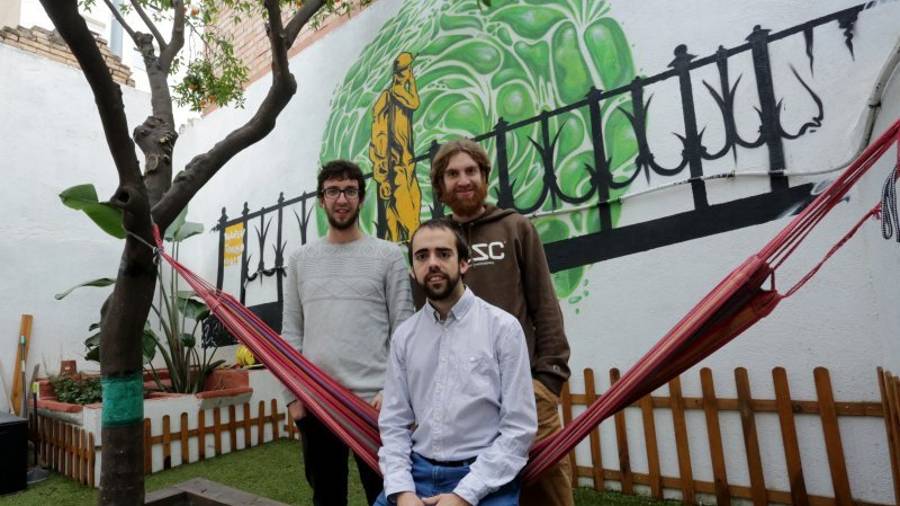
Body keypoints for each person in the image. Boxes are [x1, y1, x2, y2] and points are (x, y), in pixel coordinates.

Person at [427, 139, 573, 506]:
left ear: (484, 177)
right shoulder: (434, 243)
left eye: (471, 171)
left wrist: (549, 378)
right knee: (483, 492)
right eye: (453, 173)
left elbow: (545, 304)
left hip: (526, 389)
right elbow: (425, 319)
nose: (463, 180)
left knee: (548, 489)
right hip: (466, 401)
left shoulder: (515, 228)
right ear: (440, 186)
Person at [376, 218, 537, 506]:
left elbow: (518, 429)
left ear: (464, 263)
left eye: (444, 253)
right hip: (417, 472)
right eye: (422, 256)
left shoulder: (503, 329)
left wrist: (464, 495)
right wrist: (402, 492)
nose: (433, 263)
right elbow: (394, 424)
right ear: (413, 270)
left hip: (484, 475)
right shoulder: (405, 337)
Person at [281, 159, 415, 506]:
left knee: (386, 495)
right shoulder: (300, 260)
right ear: (321, 199)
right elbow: (291, 332)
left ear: (361, 198)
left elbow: (405, 331)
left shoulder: (388, 256)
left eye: (350, 191)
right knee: (327, 496)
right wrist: (292, 397)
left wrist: (394, 392)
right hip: (318, 403)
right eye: (333, 191)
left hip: (375, 405)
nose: (342, 199)